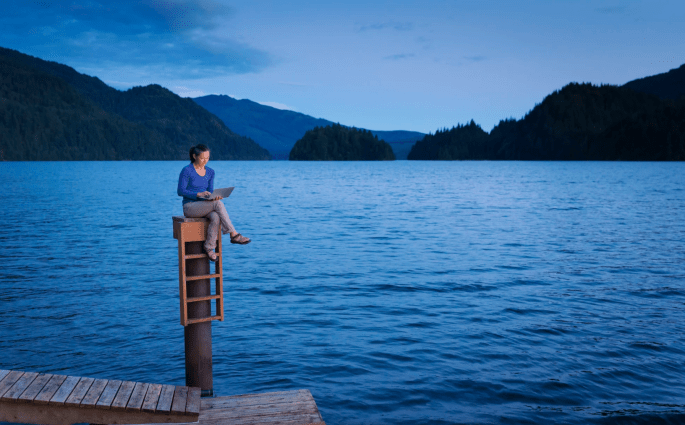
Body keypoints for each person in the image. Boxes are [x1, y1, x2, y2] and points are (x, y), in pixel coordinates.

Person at [178, 144, 250, 261]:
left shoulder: (210, 172)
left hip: (204, 205)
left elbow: (210, 191)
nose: (205, 161)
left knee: (216, 216)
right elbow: (180, 191)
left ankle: (209, 248)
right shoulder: (187, 170)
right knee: (218, 205)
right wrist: (198, 194)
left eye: (207, 158)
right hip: (190, 207)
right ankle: (233, 234)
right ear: (194, 156)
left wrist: (213, 197)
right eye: (202, 158)